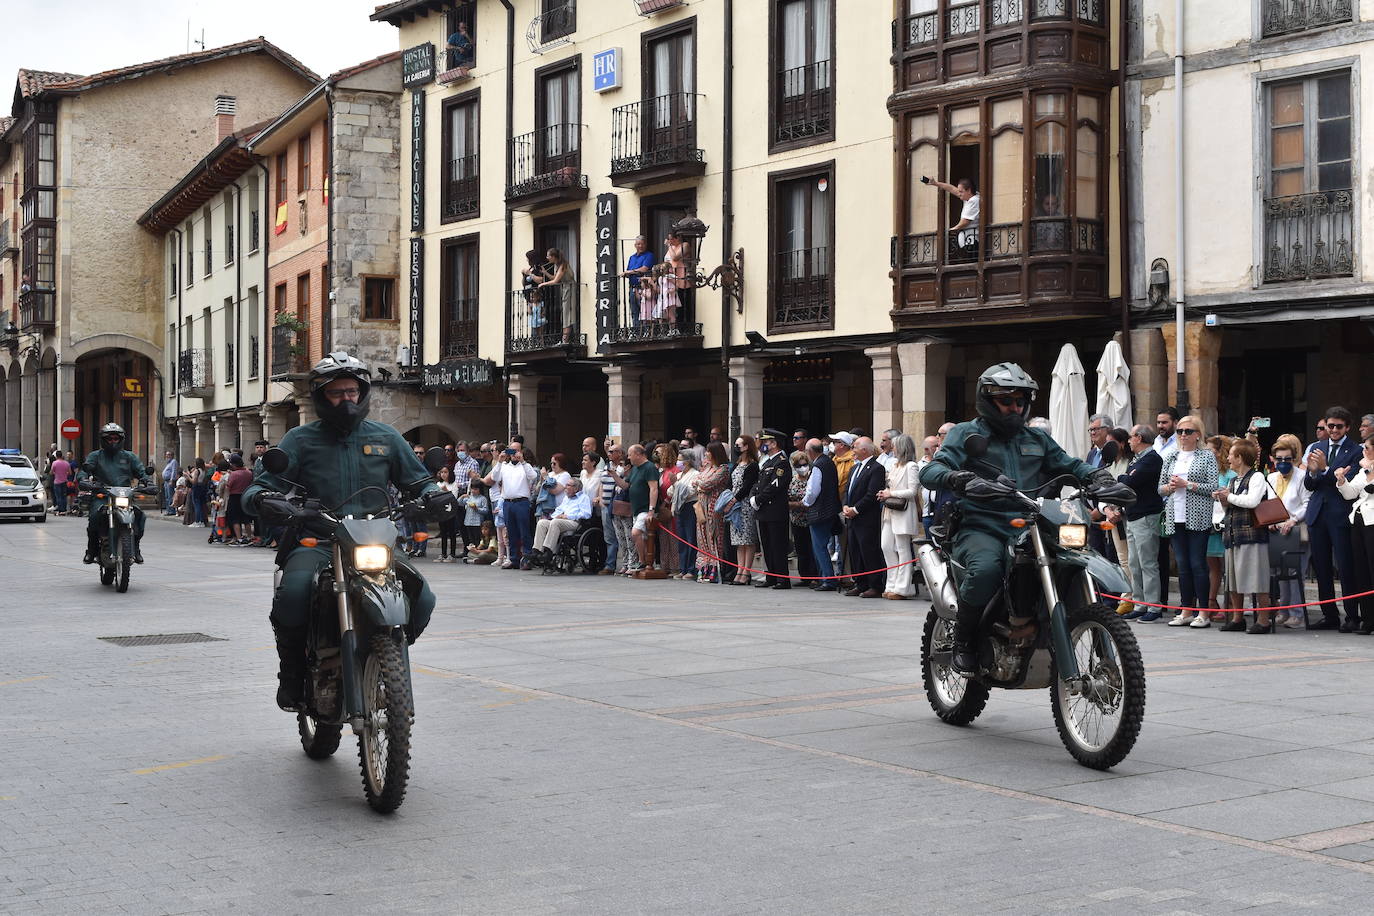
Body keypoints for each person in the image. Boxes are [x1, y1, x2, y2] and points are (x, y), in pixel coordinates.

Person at [244, 352, 453, 711]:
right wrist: (265, 499)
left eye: (352, 391)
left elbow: (418, 480)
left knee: (423, 597)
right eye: (337, 392)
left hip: (375, 540)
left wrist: (435, 495)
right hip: (319, 540)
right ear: (322, 396)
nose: (346, 399)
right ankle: (292, 672)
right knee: (292, 596)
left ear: (363, 392)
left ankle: (389, 651)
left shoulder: (386, 436)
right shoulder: (300, 439)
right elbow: (260, 485)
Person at [919, 363, 1109, 672]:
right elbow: (931, 469)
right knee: (985, 570)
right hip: (982, 524)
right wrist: (961, 479)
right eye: (1006, 401)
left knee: (1072, 558)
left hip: (1033, 523)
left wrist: (1101, 478)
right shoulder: (967, 434)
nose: (1014, 408)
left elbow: (1069, 464)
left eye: (1020, 402)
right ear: (987, 399)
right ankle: (964, 641)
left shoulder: (1036, 438)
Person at [1305, 406, 1363, 630]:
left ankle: (1352, 616)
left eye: (1339, 426)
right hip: (1318, 513)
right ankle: (1329, 615)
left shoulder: (1356, 450)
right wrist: (1312, 472)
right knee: (1321, 567)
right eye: (1330, 426)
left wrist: (1325, 468)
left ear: (1347, 427)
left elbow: (1346, 481)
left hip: (1341, 514)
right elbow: (1311, 485)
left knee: (1346, 566)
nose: (1334, 430)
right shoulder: (1317, 446)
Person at [1158, 416, 1219, 628]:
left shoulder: (1207, 456)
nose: (1183, 435)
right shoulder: (1171, 456)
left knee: (1197, 564)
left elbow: (1213, 487)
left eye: (1188, 431)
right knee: (1182, 565)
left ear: (1198, 435)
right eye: (1180, 431)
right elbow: (1161, 487)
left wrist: (1188, 484)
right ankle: (1185, 610)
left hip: (1199, 515)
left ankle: (1203, 612)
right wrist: (1170, 488)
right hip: (1176, 515)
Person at [1215, 438, 1272, 633]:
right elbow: (1230, 506)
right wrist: (1224, 499)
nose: (1228, 458)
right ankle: (1238, 618)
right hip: (1233, 534)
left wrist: (1228, 497)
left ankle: (1264, 620)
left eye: (1231, 454)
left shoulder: (1257, 477)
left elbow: (1252, 501)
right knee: (1233, 580)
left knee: (1258, 579)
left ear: (1239, 458)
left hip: (1252, 535)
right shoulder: (1233, 480)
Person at [77, 423, 151, 565]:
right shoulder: (96, 456)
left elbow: (141, 472)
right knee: (94, 516)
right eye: (109, 439)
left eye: (116, 439)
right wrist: (83, 479)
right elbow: (84, 470)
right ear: (103, 440)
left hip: (125, 496)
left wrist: (148, 482)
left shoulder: (129, 457)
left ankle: (135, 547)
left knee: (140, 516)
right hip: (103, 496)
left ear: (121, 439)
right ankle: (91, 549)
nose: (113, 441)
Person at [1119, 425, 1164, 620]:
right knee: (1134, 563)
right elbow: (1126, 478)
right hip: (1132, 515)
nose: (1128, 440)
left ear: (1139, 437)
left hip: (1146, 515)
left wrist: (1125, 477)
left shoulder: (1152, 459)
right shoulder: (1138, 460)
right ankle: (1139, 603)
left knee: (1147, 563)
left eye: (1131, 437)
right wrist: (1125, 477)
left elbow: (1127, 481)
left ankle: (1153, 606)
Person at [1266, 434, 1310, 627]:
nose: (1283, 462)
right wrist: (1270, 520)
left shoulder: (1302, 477)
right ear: (1274, 459)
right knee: (1279, 571)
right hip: (1276, 530)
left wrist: (1293, 520)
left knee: (1295, 572)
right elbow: (1268, 502)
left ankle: (1297, 613)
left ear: (1294, 459)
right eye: (1279, 459)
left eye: (1287, 459)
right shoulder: (1271, 477)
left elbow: (1308, 504)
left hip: (1296, 529)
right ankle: (1283, 610)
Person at [1337, 435, 1374, 634]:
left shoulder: (1369, 469)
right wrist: (1341, 480)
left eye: (1367, 448)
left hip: (1373, 522)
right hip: (1358, 521)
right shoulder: (1363, 470)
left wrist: (1369, 468)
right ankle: (1368, 620)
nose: (1363, 452)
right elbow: (1351, 493)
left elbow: (1371, 487)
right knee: (1361, 571)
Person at [842, 437, 887, 599]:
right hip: (852, 518)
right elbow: (848, 490)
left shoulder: (876, 468)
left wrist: (856, 509)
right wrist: (846, 506)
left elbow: (871, 494)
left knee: (869, 551)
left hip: (867, 518)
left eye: (855, 447)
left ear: (864, 450)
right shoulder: (855, 468)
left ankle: (875, 585)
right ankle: (860, 583)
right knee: (855, 552)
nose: (852, 450)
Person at [877, 433, 920, 600]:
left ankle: (903, 588)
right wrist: (885, 493)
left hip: (903, 512)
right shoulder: (894, 466)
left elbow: (912, 491)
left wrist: (890, 493)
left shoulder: (911, 466)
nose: (892, 448)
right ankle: (891, 584)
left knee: (903, 550)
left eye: (895, 445)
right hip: (890, 511)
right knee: (886, 546)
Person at [484, 441, 538, 569]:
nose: (514, 453)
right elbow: (495, 477)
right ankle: (513, 558)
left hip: (522, 502)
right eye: (511, 450)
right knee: (511, 532)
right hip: (508, 502)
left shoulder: (525, 466)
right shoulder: (504, 466)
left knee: (524, 531)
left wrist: (523, 461)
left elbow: (533, 476)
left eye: (516, 450)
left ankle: (527, 558)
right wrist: (499, 461)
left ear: (521, 451)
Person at [750, 429, 793, 589]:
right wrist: (753, 496)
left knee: (777, 546)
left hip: (775, 511)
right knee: (767, 546)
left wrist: (759, 499)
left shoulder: (781, 462)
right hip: (764, 511)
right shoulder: (768, 462)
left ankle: (782, 579)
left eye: (766, 442)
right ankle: (771, 576)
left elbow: (775, 485)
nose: (763, 445)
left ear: (774, 444)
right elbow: (759, 483)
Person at [801, 438, 840, 591]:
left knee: (819, 547)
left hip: (820, 511)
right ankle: (824, 577)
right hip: (829, 509)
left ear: (810, 451)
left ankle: (828, 579)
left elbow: (812, 491)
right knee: (822, 545)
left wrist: (805, 502)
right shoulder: (828, 462)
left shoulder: (818, 465)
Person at [725, 434, 760, 585]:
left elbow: (747, 487)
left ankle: (747, 572)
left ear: (747, 447)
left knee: (748, 540)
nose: (736, 448)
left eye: (739, 445)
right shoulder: (737, 464)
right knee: (739, 542)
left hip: (744, 504)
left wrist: (733, 500)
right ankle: (739, 570)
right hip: (735, 506)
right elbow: (730, 484)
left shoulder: (752, 465)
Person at [693, 442, 730, 584]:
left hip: (713, 507)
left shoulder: (723, 469)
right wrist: (700, 483)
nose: (706, 454)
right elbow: (696, 481)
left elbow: (705, 484)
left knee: (714, 537)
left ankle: (715, 570)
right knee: (702, 538)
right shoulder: (708, 468)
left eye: (709, 451)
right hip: (701, 507)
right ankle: (704, 569)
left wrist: (700, 484)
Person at [530, 478, 593, 561]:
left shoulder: (584, 498)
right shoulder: (566, 498)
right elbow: (559, 510)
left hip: (575, 523)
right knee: (542, 523)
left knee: (556, 522)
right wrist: (556, 516)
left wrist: (568, 516)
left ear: (576, 488)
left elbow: (586, 514)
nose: (565, 487)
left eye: (568, 485)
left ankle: (549, 551)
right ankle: (537, 551)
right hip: (561, 521)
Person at [926, 176, 980, 258]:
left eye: (961, 191)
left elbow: (965, 221)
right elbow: (951, 189)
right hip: (967, 240)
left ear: (968, 190)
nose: (959, 193)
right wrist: (935, 183)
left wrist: (952, 230)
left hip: (971, 241)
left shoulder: (974, 201)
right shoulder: (969, 197)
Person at [786, 450, 817, 584]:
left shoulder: (812, 479)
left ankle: (814, 576)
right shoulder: (792, 481)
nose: (802, 468)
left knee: (812, 548)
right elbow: (786, 500)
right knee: (801, 548)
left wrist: (802, 504)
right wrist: (798, 504)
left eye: (804, 465)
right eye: (799, 466)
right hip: (796, 519)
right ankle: (804, 576)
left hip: (811, 518)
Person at [537, 247, 576, 345]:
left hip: (569, 288)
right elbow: (555, 277)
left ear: (554, 256)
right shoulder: (557, 265)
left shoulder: (563, 265)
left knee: (567, 313)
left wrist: (542, 284)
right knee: (565, 312)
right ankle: (564, 338)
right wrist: (545, 273)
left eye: (548, 256)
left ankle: (565, 339)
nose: (547, 258)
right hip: (565, 288)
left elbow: (555, 281)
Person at [671, 452, 700, 579]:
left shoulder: (695, 474)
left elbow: (690, 491)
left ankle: (691, 569)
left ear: (687, 461)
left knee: (690, 538)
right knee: (681, 539)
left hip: (690, 506)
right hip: (679, 507)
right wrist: (675, 485)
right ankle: (683, 568)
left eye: (679, 460)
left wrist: (676, 485)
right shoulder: (679, 475)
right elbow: (670, 491)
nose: (678, 462)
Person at [224, 454, 255, 545]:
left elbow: (228, 487)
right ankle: (249, 537)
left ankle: (239, 538)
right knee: (246, 519)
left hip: (234, 497)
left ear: (233, 464)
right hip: (245, 496)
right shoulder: (249, 473)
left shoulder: (233, 474)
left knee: (235, 519)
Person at [434, 465, 463, 562]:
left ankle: (452, 554)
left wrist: (446, 491)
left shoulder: (453, 484)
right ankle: (443, 553)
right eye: (442, 472)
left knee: (452, 532)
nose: (443, 474)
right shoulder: (438, 484)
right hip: (441, 511)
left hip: (450, 511)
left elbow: (454, 497)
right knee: (443, 533)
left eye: (445, 472)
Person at [462, 480, 490, 554]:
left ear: (480, 489)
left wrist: (477, 509)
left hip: (478, 522)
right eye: (472, 489)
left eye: (476, 489)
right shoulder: (469, 498)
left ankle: (478, 553)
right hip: (468, 521)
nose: (474, 491)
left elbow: (486, 510)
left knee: (478, 539)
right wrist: (462, 497)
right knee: (470, 539)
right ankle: (471, 553)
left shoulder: (483, 498)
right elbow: (459, 503)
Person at [49, 450, 71, 515]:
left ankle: (60, 510)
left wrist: (56, 473)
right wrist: (65, 473)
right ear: (62, 455)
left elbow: (51, 472)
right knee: (64, 496)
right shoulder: (67, 463)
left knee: (58, 496)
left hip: (57, 482)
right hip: (64, 481)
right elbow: (70, 472)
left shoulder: (55, 463)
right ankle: (64, 509)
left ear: (56, 456)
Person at [160, 450, 179, 515]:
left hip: (169, 481)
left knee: (170, 496)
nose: (167, 456)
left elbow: (174, 471)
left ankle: (171, 511)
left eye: (168, 455)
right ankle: (168, 510)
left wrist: (172, 480)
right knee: (167, 496)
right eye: (166, 455)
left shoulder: (173, 462)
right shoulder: (168, 463)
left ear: (172, 455)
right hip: (166, 481)